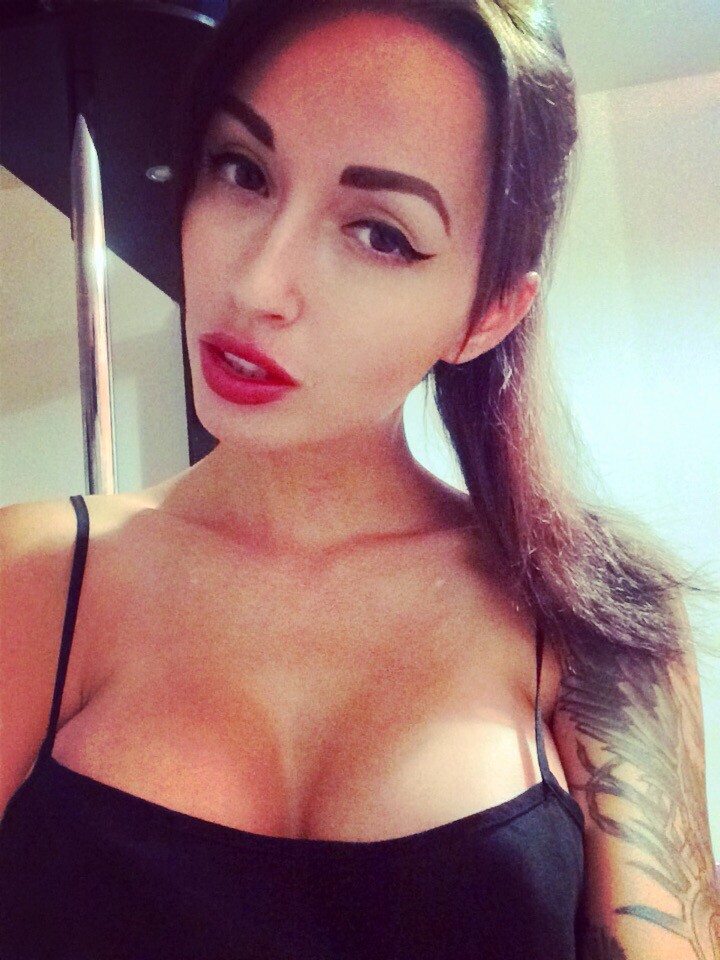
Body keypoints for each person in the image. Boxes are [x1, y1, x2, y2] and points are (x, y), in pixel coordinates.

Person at [1, 2, 718, 958]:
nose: (258, 284)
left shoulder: (597, 617)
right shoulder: (32, 576)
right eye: (243, 171)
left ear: (489, 314)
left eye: (380, 233)